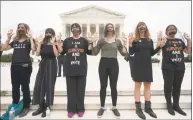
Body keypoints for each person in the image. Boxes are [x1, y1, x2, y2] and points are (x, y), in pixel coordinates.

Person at [124, 22, 165, 119]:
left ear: (146, 28)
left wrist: (160, 46)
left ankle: (148, 108)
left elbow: (151, 53)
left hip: (147, 65)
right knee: (137, 85)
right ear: (137, 28)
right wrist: (129, 44)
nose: (142, 27)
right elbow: (131, 53)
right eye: (140, 26)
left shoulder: (149, 40)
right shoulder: (134, 40)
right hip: (137, 65)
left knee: (147, 86)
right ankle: (138, 109)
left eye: (143, 26)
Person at [57, 23, 95, 118]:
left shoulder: (84, 40)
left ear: (80, 29)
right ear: (71, 30)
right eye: (73, 27)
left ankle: (80, 109)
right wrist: (58, 44)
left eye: (77, 27)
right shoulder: (67, 41)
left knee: (80, 91)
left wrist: (90, 42)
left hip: (81, 69)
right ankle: (71, 109)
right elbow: (61, 52)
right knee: (71, 91)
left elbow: (90, 52)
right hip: (70, 69)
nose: (75, 29)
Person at [91, 23, 127, 118]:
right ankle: (102, 107)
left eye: (111, 27)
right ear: (106, 29)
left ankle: (114, 107)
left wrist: (125, 43)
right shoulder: (101, 40)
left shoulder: (118, 41)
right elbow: (94, 53)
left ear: (113, 29)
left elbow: (123, 54)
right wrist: (94, 42)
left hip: (114, 64)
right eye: (108, 27)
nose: (110, 28)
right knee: (103, 86)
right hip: (103, 63)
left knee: (113, 86)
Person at [1, 23, 36, 117]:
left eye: (22, 27)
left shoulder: (29, 40)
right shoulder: (15, 40)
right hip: (14, 66)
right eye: (19, 27)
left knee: (25, 86)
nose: (20, 29)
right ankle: (15, 105)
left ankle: (26, 106)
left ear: (26, 29)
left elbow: (33, 50)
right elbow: (4, 48)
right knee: (15, 87)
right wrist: (8, 37)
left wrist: (31, 38)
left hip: (25, 66)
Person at [160, 25, 191, 116]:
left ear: (175, 31)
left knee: (177, 87)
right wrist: (160, 40)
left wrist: (188, 40)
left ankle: (176, 105)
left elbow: (188, 52)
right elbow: (158, 51)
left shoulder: (180, 41)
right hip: (168, 67)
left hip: (180, 67)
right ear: (167, 32)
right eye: (169, 29)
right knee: (168, 86)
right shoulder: (164, 41)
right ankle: (169, 105)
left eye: (173, 29)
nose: (172, 30)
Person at [32, 28, 59, 118]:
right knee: (39, 84)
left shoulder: (55, 42)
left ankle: (48, 106)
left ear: (53, 34)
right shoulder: (42, 43)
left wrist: (52, 44)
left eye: (50, 32)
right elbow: (37, 54)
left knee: (49, 85)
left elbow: (56, 55)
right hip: (43, 64)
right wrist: (39, 44)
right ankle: (41, 106)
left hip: (52, 64)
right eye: (47, 32)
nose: (48, 34)